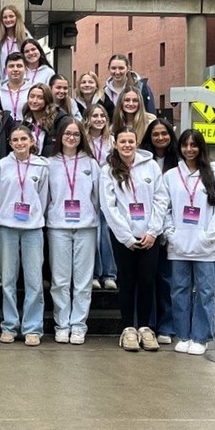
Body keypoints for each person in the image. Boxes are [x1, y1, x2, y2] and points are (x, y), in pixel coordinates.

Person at [100, 127, 167, 352]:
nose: (127, 145)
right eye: (122, 142)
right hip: (123, 236)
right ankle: (128, 328)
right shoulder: (108, 170)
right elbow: (108, 206)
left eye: (131, 141)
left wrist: (153, 231)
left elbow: (160, 199)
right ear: (115, 144)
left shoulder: (151, 167)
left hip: (149, 235)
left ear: (136, 142)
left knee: (147, 281)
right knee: (127, 282)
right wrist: (126, 236)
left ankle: (145, 328)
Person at [164, 129, 215, 356]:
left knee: (205, 292)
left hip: (206, 247)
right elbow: (165, 208)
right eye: (185, 145)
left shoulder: (214, 176)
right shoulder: (170, 176)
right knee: (179, 291)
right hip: (179, 246)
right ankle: (183, 334)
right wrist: (171, 234)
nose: (189, 149)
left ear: (201, 147)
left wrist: (209, 236)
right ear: (179, 147)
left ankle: (201, 337)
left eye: (194, 145)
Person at [0, 125, 49, 346]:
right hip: (6, 225)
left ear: (32, 141)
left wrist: (36, 217)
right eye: (15, 139)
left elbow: (43, 197)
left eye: (24, 139)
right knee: (8, 279)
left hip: (33, 228)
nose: (19, 143)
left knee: (34, 280)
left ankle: (33, 327)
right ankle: (9, 325)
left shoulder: (41, 166)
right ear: (10, 142)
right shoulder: (1, 166)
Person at [46, 118, 99, 345]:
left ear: (82, 138)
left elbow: (97, 198)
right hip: (58, 227)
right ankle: (62, 324)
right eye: (68, 133)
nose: (71, 138)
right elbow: (45, 196)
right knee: (59, 280)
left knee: (83, 281)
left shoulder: (91, 164)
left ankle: (78, 325)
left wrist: (89, 214)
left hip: (86, 227)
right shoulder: (49, 163)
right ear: (59, 136)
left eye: (76, 134)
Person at [140, 118, 179, 344]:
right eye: (155, 134)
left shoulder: (179, 161)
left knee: (166, 279)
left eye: (164, 133)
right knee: (148, 279)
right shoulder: (142, 161)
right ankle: (149, 325)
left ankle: (167, 326)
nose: (160, 138)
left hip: (171, 226)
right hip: (148, 227)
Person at [83, 104, 117, 290]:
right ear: (87, 119)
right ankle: (94, 274)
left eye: (102, 115)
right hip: (87, 191)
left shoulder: (112, 141)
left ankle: (109, 274)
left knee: (107, 233)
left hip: (108, 190)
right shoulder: (82, 141)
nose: (99, 119)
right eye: (94, 115)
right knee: (93, 234)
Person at [21, 82, 67, 157]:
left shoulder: (59, 120)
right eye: (32, 96)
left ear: (47, 100)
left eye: (40, 98)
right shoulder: (26, 122)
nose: (34, 101)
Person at [0, 5, 31, 82]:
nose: (8, 19)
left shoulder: (26, 38)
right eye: (5, 17)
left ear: (17, 18)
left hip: (22, 83)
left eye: (11, 16)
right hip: (2, 83)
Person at [0, 53, 30, 121]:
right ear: (5, 71)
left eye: (19, 66)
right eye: (11, 66)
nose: (15, 69)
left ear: (26, 69)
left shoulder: (32, 90)